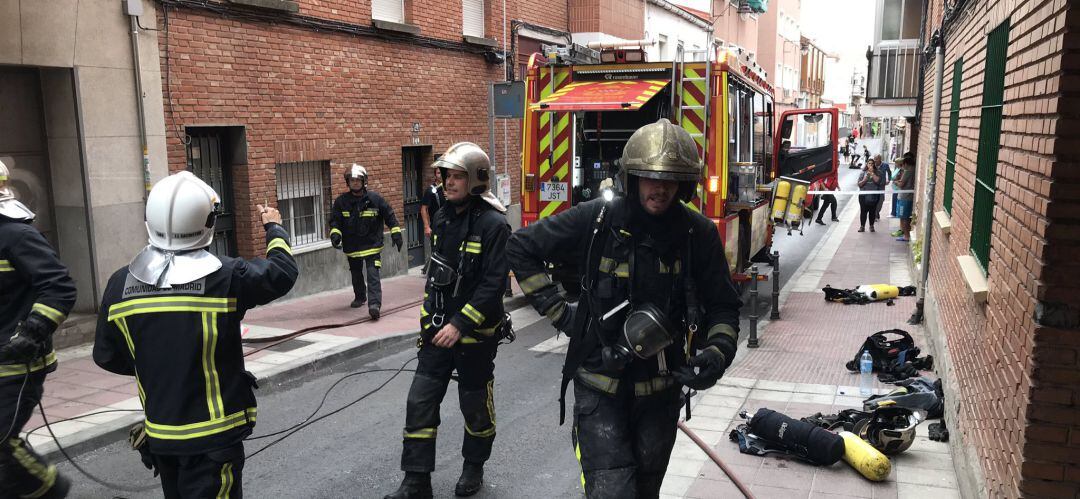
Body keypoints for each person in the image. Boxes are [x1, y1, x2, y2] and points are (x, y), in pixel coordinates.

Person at [507, 119, 741, 498]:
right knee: (612, 492)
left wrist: (717, 352)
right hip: (600, 389)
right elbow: (520, 246)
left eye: (671, 179)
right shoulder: (597, 219)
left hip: (661, 395)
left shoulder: (697, 234)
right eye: (650, 177)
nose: (660, 188)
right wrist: (562, 315)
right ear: (631, 177)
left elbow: (724, 307)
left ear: (685, 184)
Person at [93, 171, 298, 498]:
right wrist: (274, 226)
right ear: (207, 222)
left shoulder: (120, 284)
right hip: (214, 441)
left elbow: (107, 355)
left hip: (161, 435)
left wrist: (159, 367)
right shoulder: (227, 276)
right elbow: (283, 273)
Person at [386, 143, 511, 499]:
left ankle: (473, 467)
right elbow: (436, 277)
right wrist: (430, 321)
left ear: (475, 179)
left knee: (475, 407)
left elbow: (492, 286)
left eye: (457, 176)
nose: (448, 183)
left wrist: (459, 324)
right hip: (436, 334)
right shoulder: (442, 217)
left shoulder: (494, 225)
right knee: (420, 402)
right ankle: (416, 480)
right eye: (446, 175)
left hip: (473, 337)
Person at [0, 158, 77, 499]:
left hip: (16, 364)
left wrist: (32, 332)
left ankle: (51, 491)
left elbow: (59, 287)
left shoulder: (16, 235)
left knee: (1, 444)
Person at [329, 164, 403, 319]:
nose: (355, 183)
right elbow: (335, 221)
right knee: (356, 274)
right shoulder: (341, 202)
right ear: (348, 182)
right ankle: (360, 297)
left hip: (372, 245)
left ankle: (374, 305)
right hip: (352, 246)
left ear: (364, 181)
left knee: (372, 274)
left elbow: (389, 215)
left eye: (358, 180)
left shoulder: (375, 199)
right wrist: (335, 234)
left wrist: (396, 233)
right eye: (352, 180)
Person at [419, 169, 445, 275]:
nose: (440, 175)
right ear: (435, 175)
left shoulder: (450, 189)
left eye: (442, 172)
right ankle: (433, 273)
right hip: (436, 227)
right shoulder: (431, 190)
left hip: (450, 226)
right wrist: (426, 226)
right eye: (438, 173)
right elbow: (423, 209)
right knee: (436, 250)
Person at [891, 153, 916, 241]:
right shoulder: (913, 170)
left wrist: (895, 181)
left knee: (904, 217)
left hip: (905, 197)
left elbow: (901, 184)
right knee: (904, 217)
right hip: (906, 197)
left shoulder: (907, 171)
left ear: (905, 164)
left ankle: (906, 236)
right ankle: (905, 234)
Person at [858, 158, 884, 232]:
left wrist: (872, 174)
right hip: (863, 195)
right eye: (869, 163)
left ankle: (871, 226)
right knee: (863, 211)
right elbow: (859, 184)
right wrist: (866, 178)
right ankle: (862, 226)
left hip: (874, 195)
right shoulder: (863, 173)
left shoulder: (878, 172)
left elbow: (878, 182)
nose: (871, 165)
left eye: (872, 164)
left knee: (872, 211)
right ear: (867, 164)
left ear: (874, 165)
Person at [873, 154, 891, 219]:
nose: (875, 160)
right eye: (874, 159)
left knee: (881, 200)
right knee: (874, 200)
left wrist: (889, 179)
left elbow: (889, 172)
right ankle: (875, 214)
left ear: (880, 159)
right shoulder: (873, 165)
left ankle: (877, 212)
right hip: (874, 186)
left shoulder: (885, 165)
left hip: (882, 185)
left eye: (876, 159)